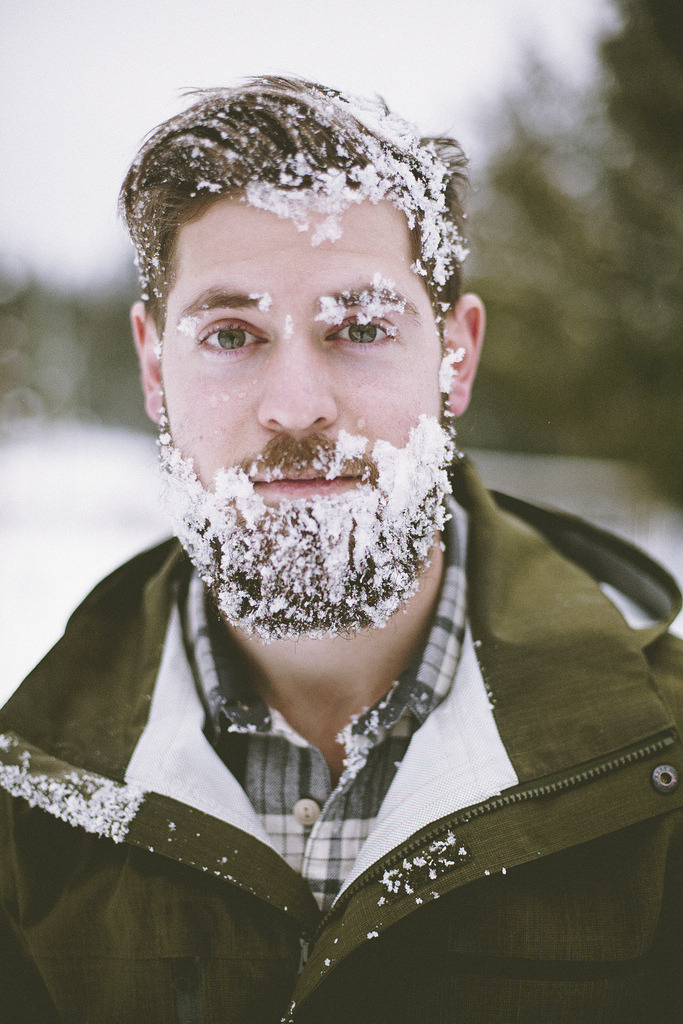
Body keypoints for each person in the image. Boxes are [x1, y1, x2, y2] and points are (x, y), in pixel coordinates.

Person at [0, 76, 681, 1024]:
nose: (296, 405)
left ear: (455, 357)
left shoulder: (661, 769)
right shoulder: (28, 806)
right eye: (231, 334)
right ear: (157, 369)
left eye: (360, 327)